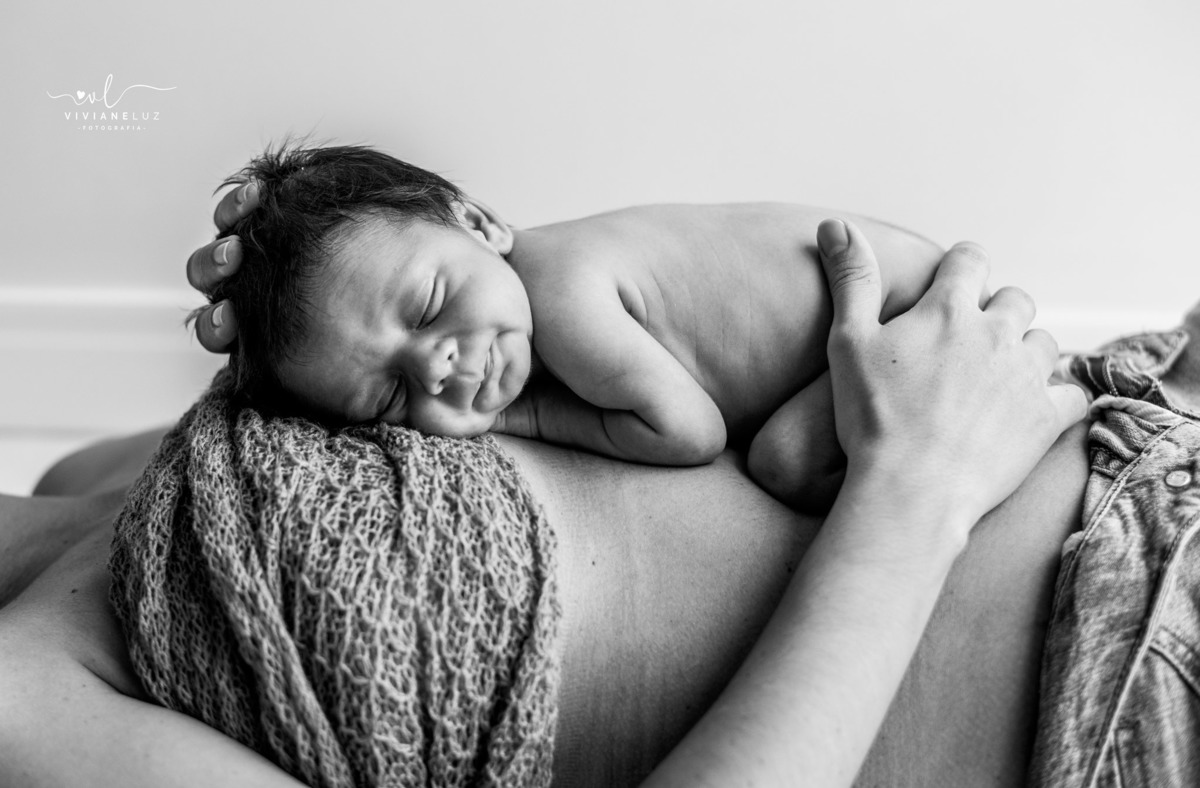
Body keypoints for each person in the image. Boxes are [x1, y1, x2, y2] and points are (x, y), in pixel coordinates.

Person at [0, 183, 1104, 785]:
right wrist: (917, 491)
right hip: (1107, 669)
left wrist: (303, 262)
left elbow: (484, 313)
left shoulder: (89, 474)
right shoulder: (30, 706)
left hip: (1111, 412)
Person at [199, 143, 952, 509]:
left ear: (478, 222)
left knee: (783, 463)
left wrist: (520, 416)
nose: (433, 369)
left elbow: (689, 433)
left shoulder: (562, 297)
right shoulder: (519, 285)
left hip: (905, 313)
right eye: (389, 398)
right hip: (889, 289)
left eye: (428, 307)